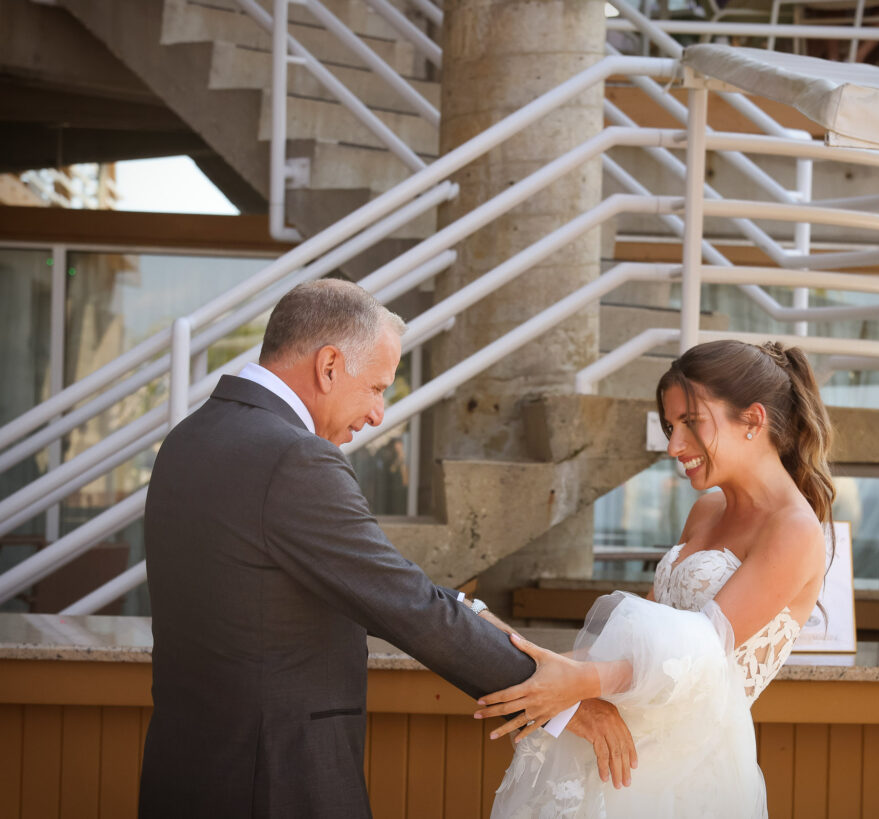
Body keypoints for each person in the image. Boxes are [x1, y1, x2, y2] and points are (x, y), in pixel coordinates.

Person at [139, 279, 635, 817]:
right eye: (376, 388)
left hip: (185, 769)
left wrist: (476, 616)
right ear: (329, 366)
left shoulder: (188, 439)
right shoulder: (294, 459)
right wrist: (563, 699)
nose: (378, 414)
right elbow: (408, 605)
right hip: (277, 780)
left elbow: (369, 587)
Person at [478, 339, 834, 817]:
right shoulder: (707, 509)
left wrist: (580, 681)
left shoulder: (794, 530)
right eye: (671, 426)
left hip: (683, 775)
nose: (673, 446)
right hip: (617, 747)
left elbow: (700, 652)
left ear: (752, 420)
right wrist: (539, 663)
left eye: (691, 423)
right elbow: (638, 638)